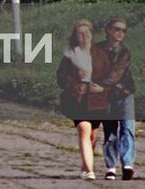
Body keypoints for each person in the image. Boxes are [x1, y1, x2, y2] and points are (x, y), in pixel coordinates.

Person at [57, 19, 105, 180]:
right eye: (80, 33)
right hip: (78, 98)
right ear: (76, 37)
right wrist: (74, 80)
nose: (85, 36)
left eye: (87, 33)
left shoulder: (100, 54)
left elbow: (110, 74)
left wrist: (101, 86)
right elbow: (60, 78)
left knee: (93, 135)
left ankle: (85, 165)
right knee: (84, 128)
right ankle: (90, 170)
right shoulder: (70, 55)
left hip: (96, 99)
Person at [95, 18, 136, 180]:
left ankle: (127, 164)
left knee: (127, 127)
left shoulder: (124, 52)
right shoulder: (96, 49)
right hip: (106, 95)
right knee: (110, 130)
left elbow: (116, 74)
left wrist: (101, 86)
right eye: (117, 29)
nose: (120, 33)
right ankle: (111, 166)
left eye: (123, 31)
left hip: (124, 92)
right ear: (108, 30)